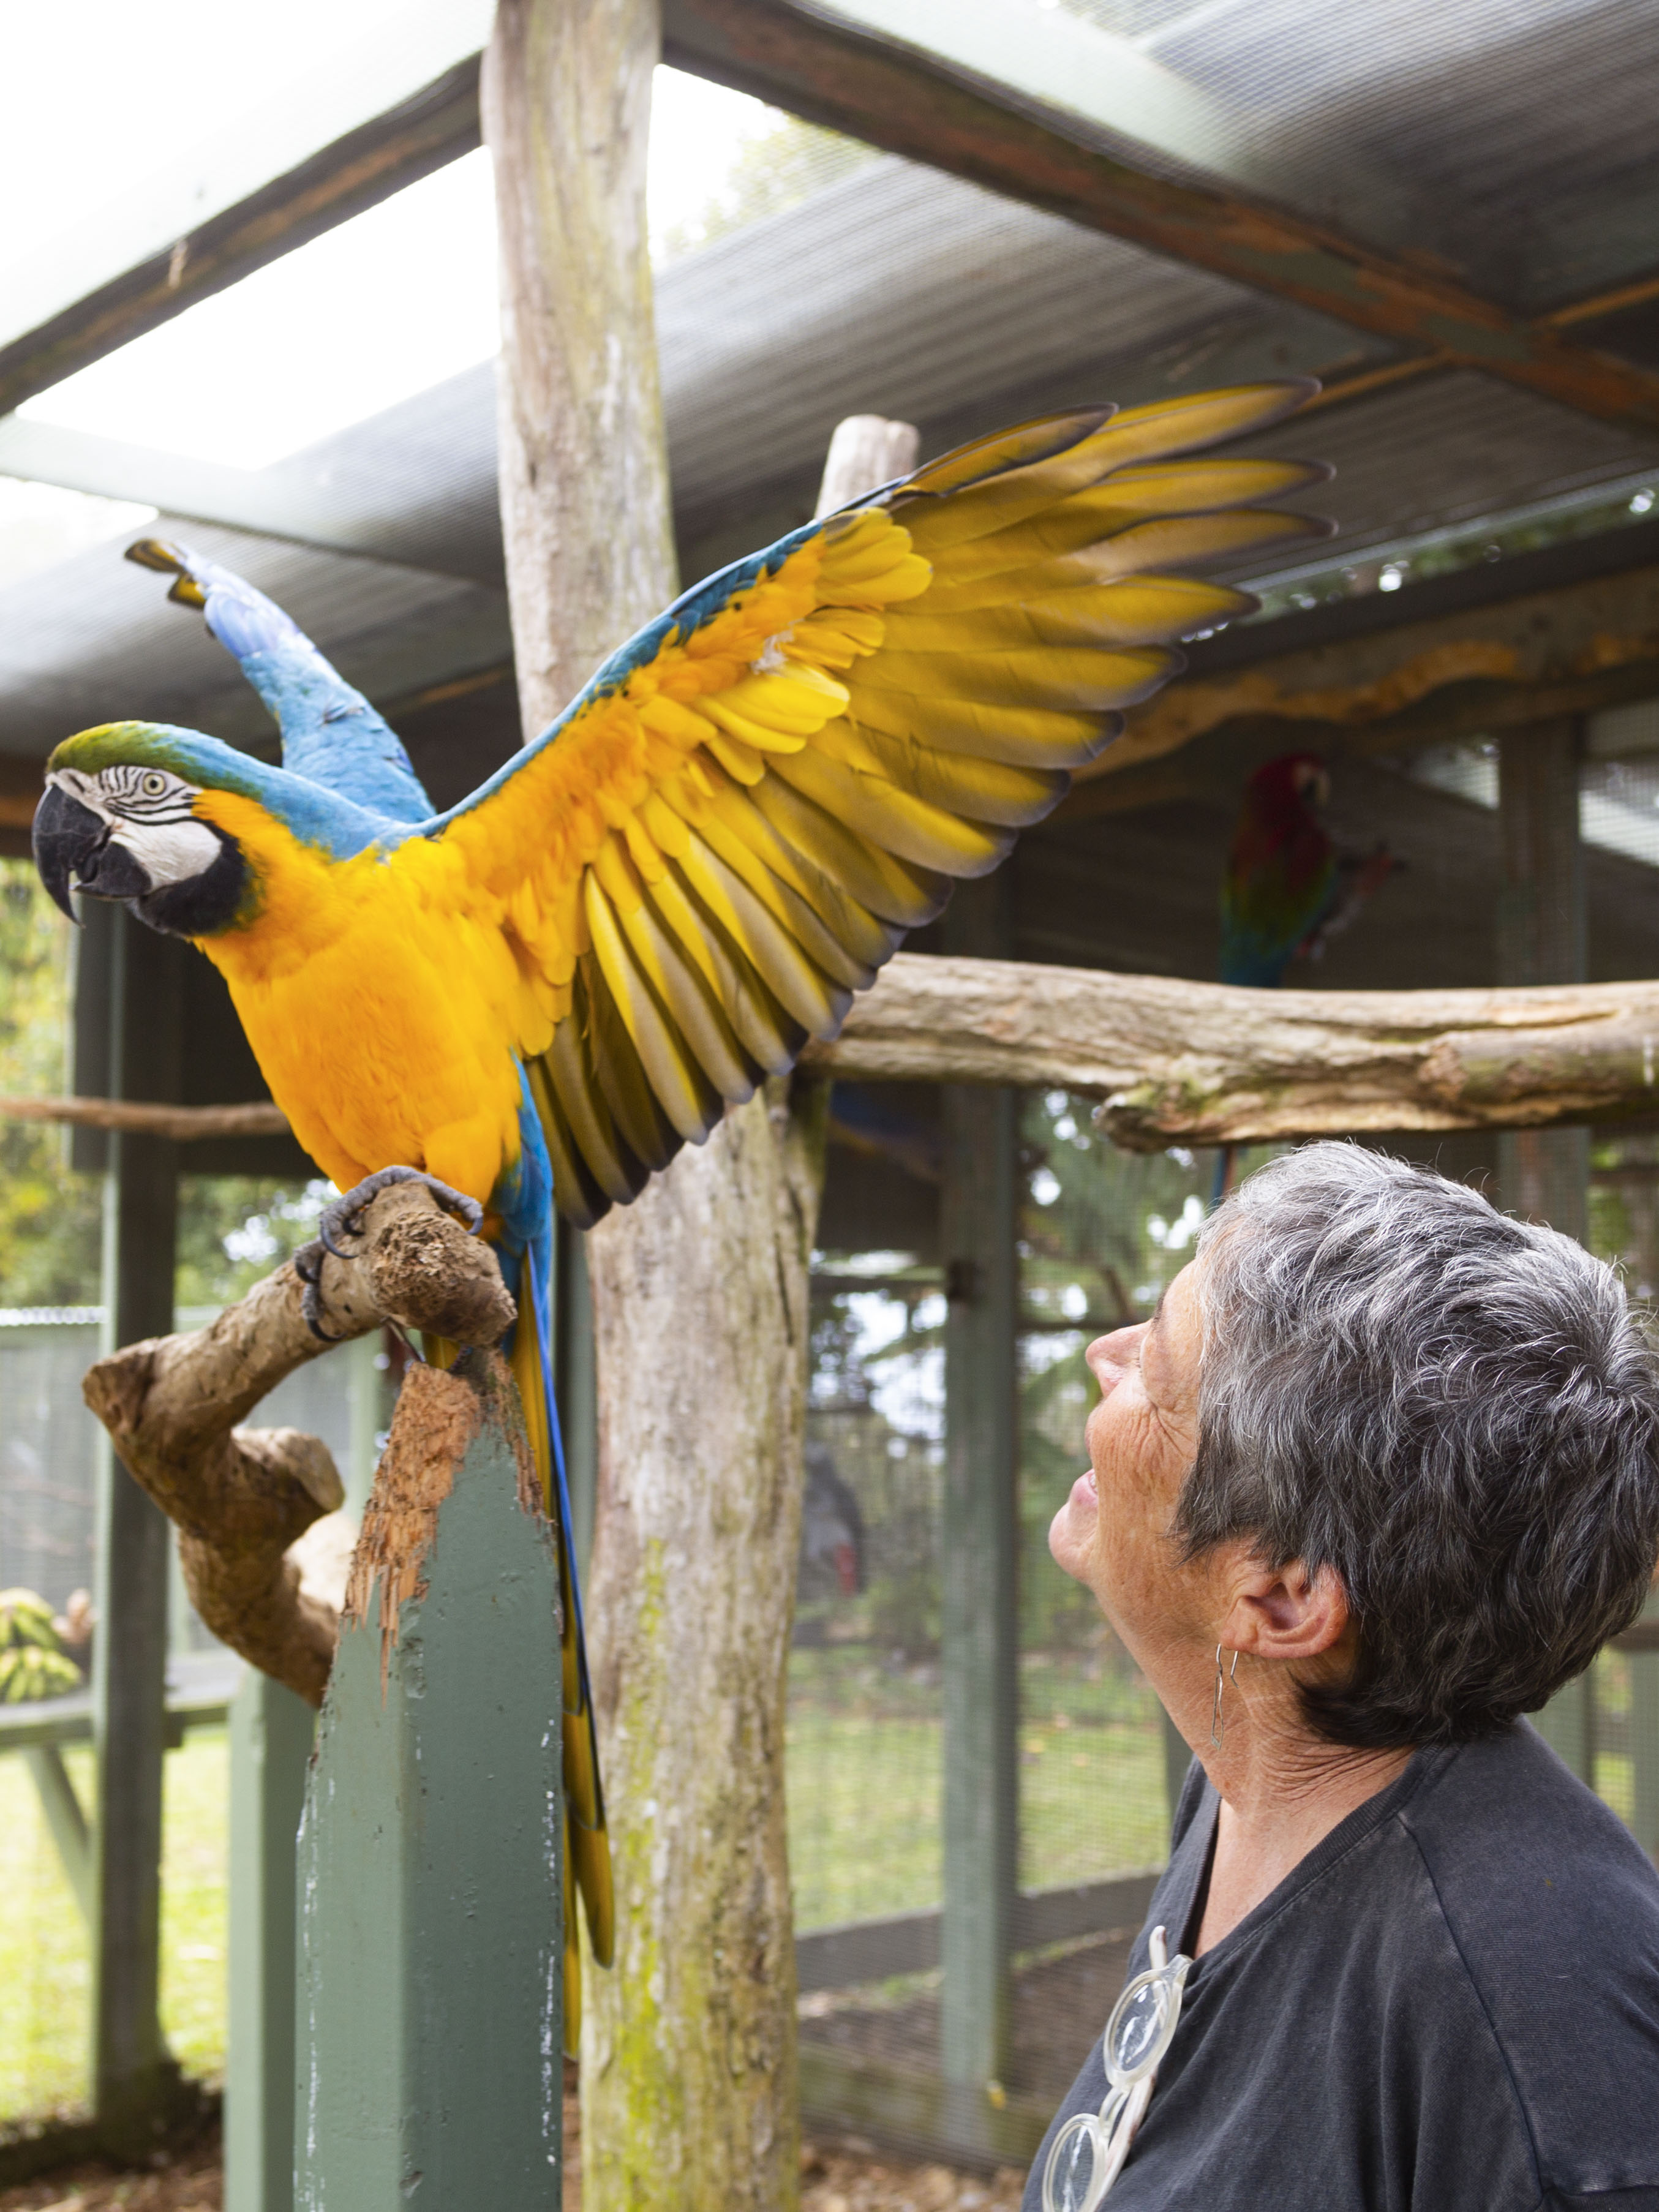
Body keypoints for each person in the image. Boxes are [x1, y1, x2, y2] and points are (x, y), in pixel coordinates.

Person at [1026, 1142, 1659, 2212]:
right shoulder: (1257, 1782)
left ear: (1278, 1601)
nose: (1105, 1351)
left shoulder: (1535, 2039)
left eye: (1160, 1373)